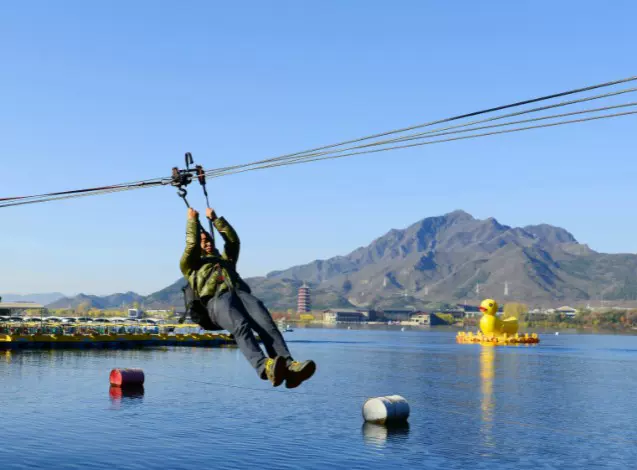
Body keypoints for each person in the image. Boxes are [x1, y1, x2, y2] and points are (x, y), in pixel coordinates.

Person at [179, 206, 316, 388]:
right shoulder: (191, 265)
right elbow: (191, 246)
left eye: (209, 240)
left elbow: (233, 242)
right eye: (203, 242)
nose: (208, 243)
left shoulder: (226, 260)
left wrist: (216, 220)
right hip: (216, 301)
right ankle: (263, 366)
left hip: (240, 295)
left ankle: (289, 367)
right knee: (241, 326)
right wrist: (192, 221)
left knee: (267, 325)